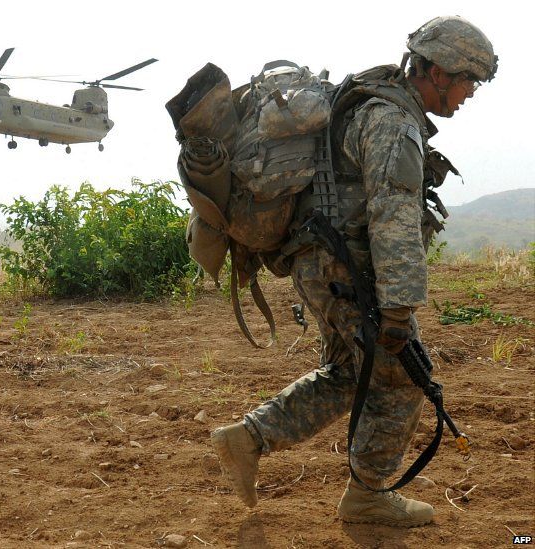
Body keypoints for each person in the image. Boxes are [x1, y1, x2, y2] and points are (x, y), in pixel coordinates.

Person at [210, 16, 497, 527]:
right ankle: (368, 495)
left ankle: (248, 438)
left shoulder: (368, 105)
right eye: (467, 80)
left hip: (319, 264)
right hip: (349, 271)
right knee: (405, 378)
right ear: (436, 71)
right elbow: (393, 216)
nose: (470, 93)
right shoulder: (391, 120)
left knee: (349, 373)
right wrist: (398, 308)